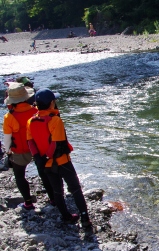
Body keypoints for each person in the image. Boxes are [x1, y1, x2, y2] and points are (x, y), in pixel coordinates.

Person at [26, 88, 92, 227]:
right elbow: (56, 143)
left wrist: (39, 158)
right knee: (75, 189)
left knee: (57, 191)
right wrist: (47, 156)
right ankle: (85, 219)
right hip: (62, 162)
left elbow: (30, 142)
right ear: (51, 103)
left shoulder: (30, 121)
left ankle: (66, 217)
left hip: (46, 165)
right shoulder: (55, 120)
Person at [2, 82, 55, 209]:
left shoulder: (9, 117)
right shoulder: (36, 111)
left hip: (20, 151)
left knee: (19, 175)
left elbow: (7, 139)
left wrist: (8, 152)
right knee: (43, 173)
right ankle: (53, 198)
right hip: (37, 148)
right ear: (26, 97)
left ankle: (28, 202)